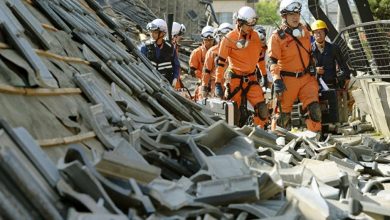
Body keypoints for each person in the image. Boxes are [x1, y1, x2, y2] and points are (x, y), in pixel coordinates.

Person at [268, 0, 321, 132]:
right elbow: (272, 61)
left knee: (314, 109)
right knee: (282, 115)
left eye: (297, 13)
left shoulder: (304, 31)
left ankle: (316, 139)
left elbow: (311, 51)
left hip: (306, 78)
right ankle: (279, 143)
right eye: (291, 14)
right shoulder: (276, 37)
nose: (295, 17)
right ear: (283, 16)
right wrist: (276, 79)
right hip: (287, 81)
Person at [214, 6, 268, 128]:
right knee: (233, 112)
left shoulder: (256, 37)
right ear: (239, 22)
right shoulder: (228, 39)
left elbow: (260, 58)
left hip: (251, 78)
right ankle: (233, 135)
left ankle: (259, 133)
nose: (251, 28)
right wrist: (218, 83)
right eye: (248, 25)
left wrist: (264, 75)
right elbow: (221, 63)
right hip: (234, 79)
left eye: (252, 25)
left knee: (262, 109)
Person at [311, 20, 350, 89]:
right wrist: (315, 69)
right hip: (315, 85)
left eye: (321, 32)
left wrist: (346, 78)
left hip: (332, 84)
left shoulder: (333, 47)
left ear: (325, 33)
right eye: (316, 32)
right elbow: (304, 67)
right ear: (313, 34)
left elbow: (343, 64)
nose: (319, 34)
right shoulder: (308, 49)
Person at [140, 18, 180, 87]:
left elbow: (176, 65)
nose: (152, 34)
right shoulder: (145, 47)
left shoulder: (170, 48)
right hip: (150, 83)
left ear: (162, 33)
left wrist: (175, 78)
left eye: (155, 32)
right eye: (151, 32)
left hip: (167, 84)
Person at [201, 23, 233, 98]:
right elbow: (206, 71)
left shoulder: (236, 52)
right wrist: (204, 87)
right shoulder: (212, 51)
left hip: (233, 84)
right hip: (216, 85)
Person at [189, 26, 215, 100]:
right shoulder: (196, 52)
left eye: (211, 40)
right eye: (206, 40)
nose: (209, 42)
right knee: (201, 98)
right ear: (203, 40)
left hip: (216, 82)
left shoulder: (219, 51)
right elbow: (192, 71)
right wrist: (204, 77)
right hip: (202, 83)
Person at [171, 22, 186, 89]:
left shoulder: (175, 46)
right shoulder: (169, 48)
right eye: (180, 35)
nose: (181, 37)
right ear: (175, 35)